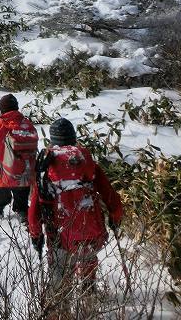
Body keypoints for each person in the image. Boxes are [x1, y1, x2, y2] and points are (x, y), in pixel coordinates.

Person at [28, 118, 123, 295]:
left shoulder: (45, 168)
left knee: (59, 278)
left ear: (52, 140)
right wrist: (115, 218)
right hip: (91, 230)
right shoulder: (88, 164)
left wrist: (36, 234)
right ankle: (89, 298)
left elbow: (35, 207)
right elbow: (112, 198)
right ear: (73, 138)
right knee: (88, 262)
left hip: (59, 234)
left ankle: (60, 308)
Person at [0, 93, 39, 222]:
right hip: (24, 176)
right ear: (16, 107)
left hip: (2, 177)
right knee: (22, 205)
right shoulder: (28, 125)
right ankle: (24, 220)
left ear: (2, 109)